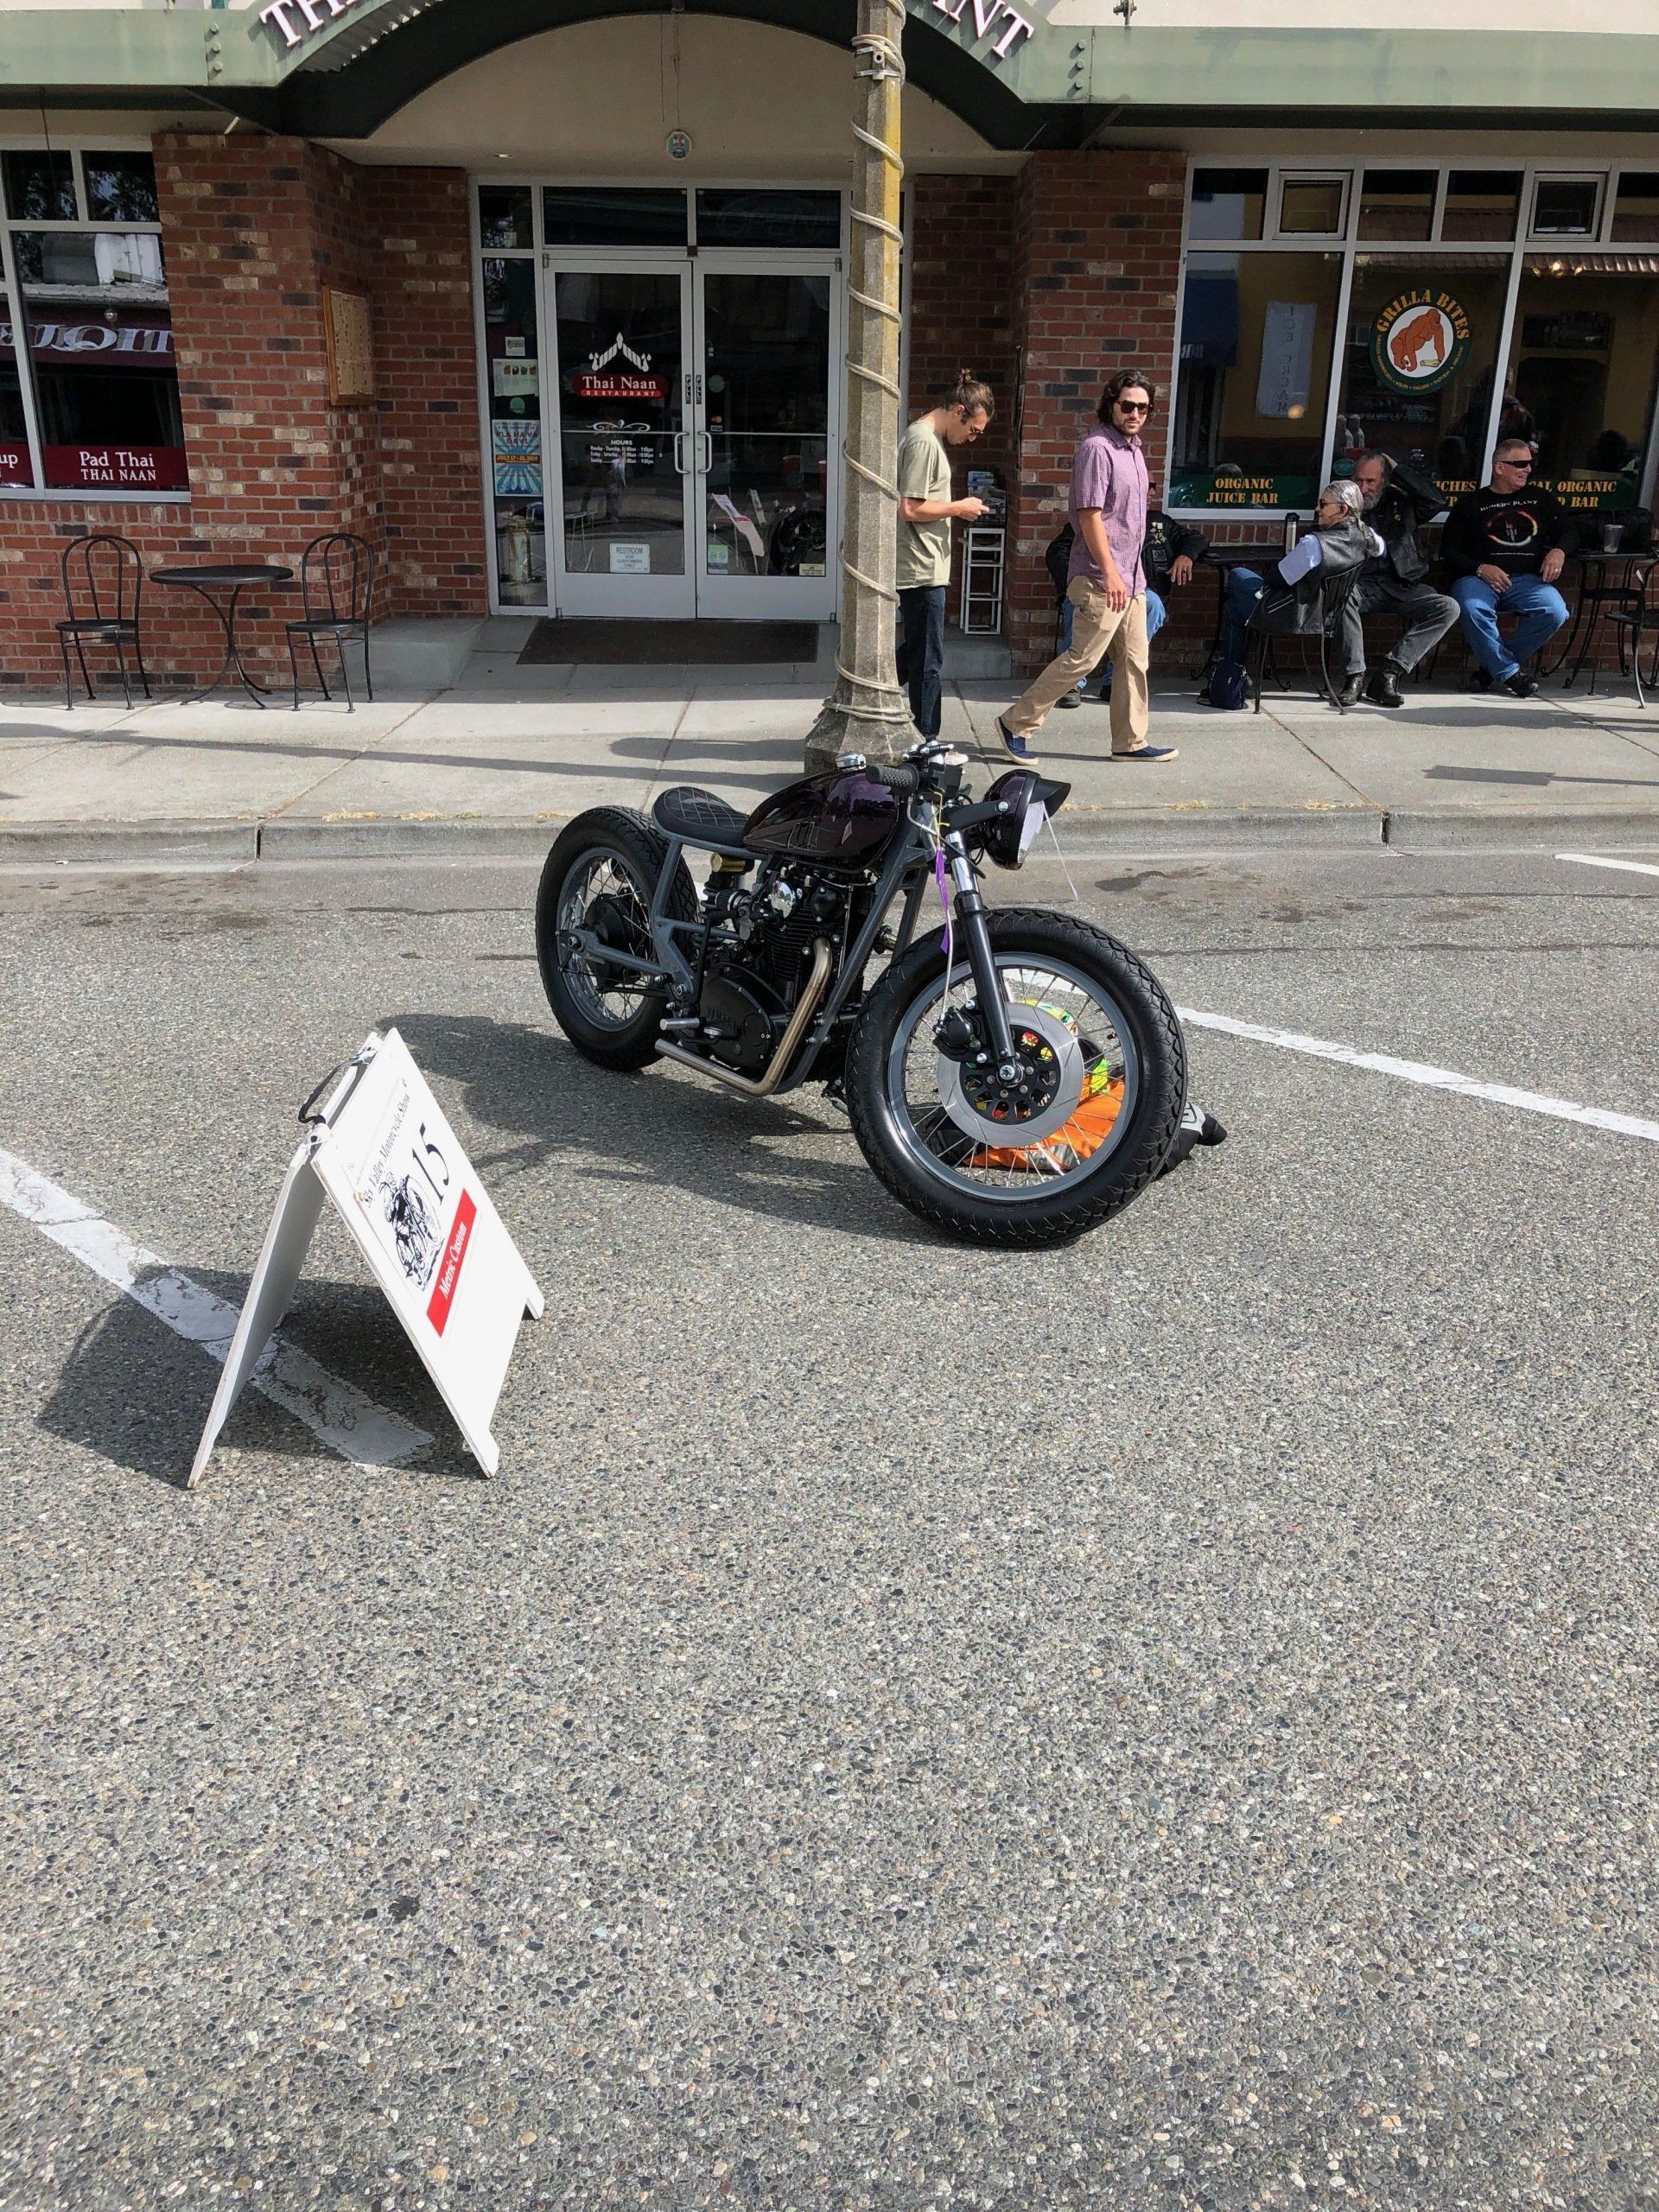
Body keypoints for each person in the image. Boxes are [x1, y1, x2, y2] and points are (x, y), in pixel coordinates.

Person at [998, 370, 1176, 765]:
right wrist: (1110, 571)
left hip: (1131, 579)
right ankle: (1016, 723)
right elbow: (1091, 514)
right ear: (1111, 404)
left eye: (1142, 407)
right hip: (1101, 578)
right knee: (1082, 658)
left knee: (1133, 662)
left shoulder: (1134, 450)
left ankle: (1130, 743)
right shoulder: (1098, 449)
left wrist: (1129, 577)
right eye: (1127, 405)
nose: (1134, 413)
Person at [894, 371, 993, 741]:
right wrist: (959, 507)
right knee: (928, 662)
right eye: (975, 429)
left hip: (926, 565)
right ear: (958, 410)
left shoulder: (927, 438)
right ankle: (927, 740)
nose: (972, 438)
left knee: (918, 653)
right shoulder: (923, 441)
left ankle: (868, 690)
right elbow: (909, 508)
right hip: (920, 568)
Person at [1441, 438, 1572, 699]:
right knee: (1470, 608)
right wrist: (1480, 568)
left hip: (1526, 579)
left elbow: (1570, 531)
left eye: (1530, 464)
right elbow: (1448, 551)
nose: (1528, 469)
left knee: (1555, 612)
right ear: (1499, 468)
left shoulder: (1540, 500)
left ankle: (1494, 670)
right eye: (1520, 464)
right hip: (1478, 579)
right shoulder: (1471, 504)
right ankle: (1510, 673)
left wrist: (1559, 550)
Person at [1214, 480, 1382, 673]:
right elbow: (1381, 549)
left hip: (1291, 613)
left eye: (1323, 504)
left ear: (1343, 510)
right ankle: (1232, 673)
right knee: (1234, 607)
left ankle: (1231, 674)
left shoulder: (1314, 544)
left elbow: (1277, 578)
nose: (1317, 508)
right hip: (1325, 616)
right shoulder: (1367, 537)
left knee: (1237, 576)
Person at [1049, 512, 1208, 706]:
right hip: (1096, 586)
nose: (1148, 491)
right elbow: (1057, 551)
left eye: (1152, 487)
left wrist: (1186, 555)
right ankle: (1070, 682)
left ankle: (1117, 681)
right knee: (1082, 598)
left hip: (1137, 592)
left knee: (1153, 605)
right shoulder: (1093, 519)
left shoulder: (1158, 522)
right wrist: (1076, 580)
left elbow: (1197, 538)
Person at [1345, 450, 1460, 707]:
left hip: (1402, 582)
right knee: (1343, 597)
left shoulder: (1401, 501)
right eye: (1359, 481)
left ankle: (1389, 673)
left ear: (1385, 481)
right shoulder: (1343, 502)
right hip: (1361, 585)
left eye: (1371, 482)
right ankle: (1355, 676)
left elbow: (1437, 501)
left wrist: (1398, 469)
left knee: (1448, 608)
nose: (1363, 488)